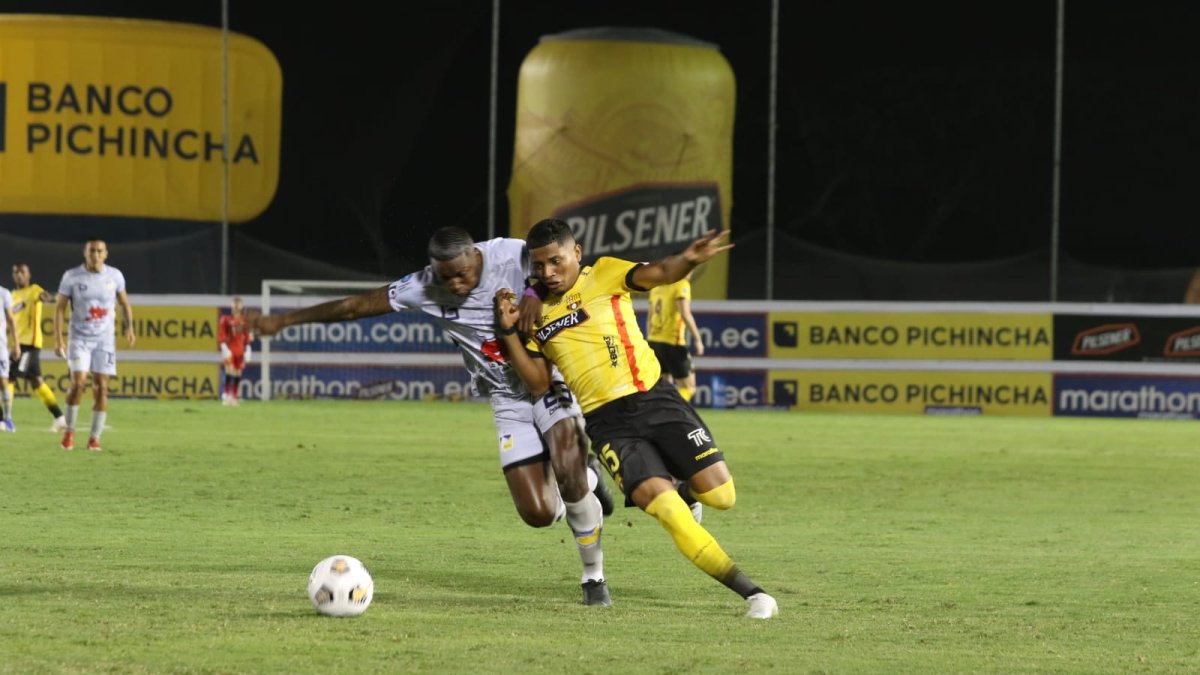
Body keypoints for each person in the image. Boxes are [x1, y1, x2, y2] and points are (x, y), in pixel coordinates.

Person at [250, 226, 617, 606]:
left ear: (476, 256)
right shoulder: (423, 287)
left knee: (567, 465)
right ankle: (590, 477)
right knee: (539, 513)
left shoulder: (512, 255)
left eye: (464, 274)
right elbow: (355, 306)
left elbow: (561, 267)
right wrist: (282, 321)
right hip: (506, 398)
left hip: (550, 378)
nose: (456, 284)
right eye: (447, 278)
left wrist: (530, 292)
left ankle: (593, 577)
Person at [494, 218, 778, 619]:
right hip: (609, 425)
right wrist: (507, 332)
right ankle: (754, 595)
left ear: (576, 253)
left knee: (721, 497)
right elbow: (540, 383)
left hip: (656, 399)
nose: (548, 273)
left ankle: (687, 489)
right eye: (539, 267)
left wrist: (688, 260)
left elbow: (660, 273)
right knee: (667, 513)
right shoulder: (532, 314)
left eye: (556, 261)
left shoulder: (606, 272)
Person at [54, 238, 136, 452]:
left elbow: (125, 303)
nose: (96, 255)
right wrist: (58, 338)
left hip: (104, 340)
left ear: (106, 253)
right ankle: (69, 432)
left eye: (99, 251)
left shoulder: (115, 276)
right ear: (85, 253)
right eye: (92, 251)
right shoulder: (71, 276)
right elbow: (60, 308)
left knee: (102, 387)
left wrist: (130, 328)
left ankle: (94, 438)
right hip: (79, 338)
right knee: (78, 384)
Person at [9, 264, 67, 431]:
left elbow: (44, 296)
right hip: (19, 344)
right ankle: (59, 417)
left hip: (30, 344)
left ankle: (3, 419)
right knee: (37, 382)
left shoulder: (34, 290)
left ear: (28, 275)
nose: (19, 275)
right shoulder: (12, 295)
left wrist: (51, 297)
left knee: (9, 376)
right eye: (16, 272)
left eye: (22, 272)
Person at [646, 270, 704, 402]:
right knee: (688, 388)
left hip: (654, 342)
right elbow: (685, 313)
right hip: (672, 342)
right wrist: (698, 339)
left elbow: (649, 317)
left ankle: (661, 415)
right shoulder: (681, 285)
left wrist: (650, 338)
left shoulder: (656, 287)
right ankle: (676, 415)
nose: (691, 272)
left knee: (664, 387)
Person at [218, 297, 254, 406]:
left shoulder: (245, 321)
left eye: (238, 305)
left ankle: (234, 397)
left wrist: (248, 349)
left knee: (238, 373)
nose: (236, 307)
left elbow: (247, 336)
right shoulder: (226, 319)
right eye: (234, 304)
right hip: (229, 349)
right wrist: (224, 347)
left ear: (241, 306)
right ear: (231, 306)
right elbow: (222, 334)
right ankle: (227, 395)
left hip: (240, 350)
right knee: (230, 370)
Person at [0, 285, 20, 432]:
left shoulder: (4, 293)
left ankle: (8, 418)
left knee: (3, 381)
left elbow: (11, 320)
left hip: (0, 346)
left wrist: (16, 344)